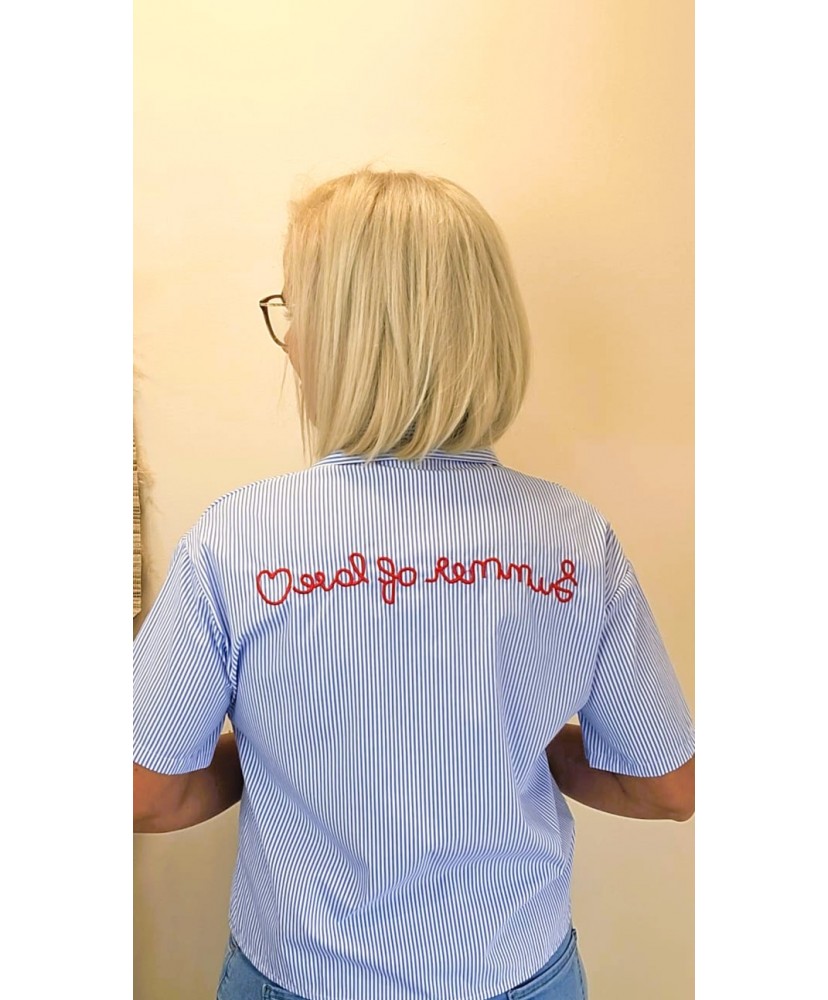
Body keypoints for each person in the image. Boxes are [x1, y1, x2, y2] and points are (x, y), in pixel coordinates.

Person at [133, 167, 695, 1000]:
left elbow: (148, 794)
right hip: (517, 974)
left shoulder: (236, 542)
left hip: (301, 977)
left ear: (346, 336)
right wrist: (528, 745)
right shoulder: (574, 541)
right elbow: (666, 787)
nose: (288, 340)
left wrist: (272, 753)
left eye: (295, 310)